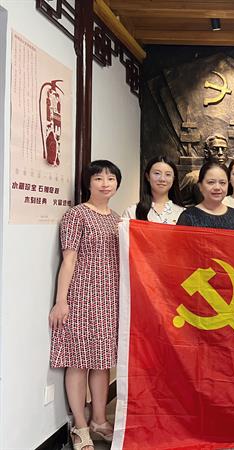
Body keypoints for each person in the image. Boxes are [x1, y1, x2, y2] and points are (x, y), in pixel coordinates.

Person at [49, 160, 123, 450]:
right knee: (78, 362)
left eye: (110, 178)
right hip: (81, 296)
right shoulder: (76, 215)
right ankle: (80, 426)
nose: (105, 183)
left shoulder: (117, 219)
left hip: (109, 298)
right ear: (88, 182)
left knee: (102, 362)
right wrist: (61, 301)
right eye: (98, 178)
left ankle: (99, 421)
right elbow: (69, 259)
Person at [177, 161, 234, 230]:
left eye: (222, 183)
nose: (217, 187)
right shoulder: (188, 216)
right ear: (200, 186)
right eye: (211, 182)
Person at [122, 155, 185, 224]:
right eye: (157, 173)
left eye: (168, 174)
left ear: (173, 179)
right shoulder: (132, 212)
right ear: (147, 176)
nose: (162, 179)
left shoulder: (183, 213)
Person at [180, 134, 230, 206]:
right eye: (215, 149)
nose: (220, 153)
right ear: (206, 153)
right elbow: (179, 203)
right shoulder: (193, 178)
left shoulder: (231, 177)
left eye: (223, 149)